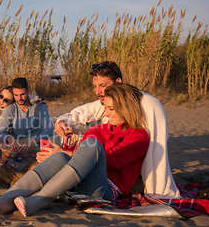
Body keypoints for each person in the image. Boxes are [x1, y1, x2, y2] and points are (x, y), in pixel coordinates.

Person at [0, 83, 150, 217]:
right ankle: (4, 201)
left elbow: (111, 161)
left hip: (102, 189)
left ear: (126, 109)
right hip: (75, 184)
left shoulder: (139, 136)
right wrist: (62, 152)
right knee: (61, 157)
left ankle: (37, 201)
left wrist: (71, 153)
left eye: (111, 109)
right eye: (106, 107)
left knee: (92, 148)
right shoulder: (98, 130)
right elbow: (77, 154)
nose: (106, 113)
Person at [54, 61, 180, 199]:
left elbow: (156, 152)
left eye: (103, 86)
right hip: (109, 168)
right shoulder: (108, 101)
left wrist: (156, 189)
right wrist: (63, 122)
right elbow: (82, 112)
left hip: (132, 177)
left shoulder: (148, 105)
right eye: (95, 86)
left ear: (118, 82)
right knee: (65, 133)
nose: (97, 92)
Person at [0, 77, 53, 157]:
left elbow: (49, 129)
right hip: (17, 143)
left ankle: (31, 154)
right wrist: (9, 138)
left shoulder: (40, 106)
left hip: (36, 141)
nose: (19, 98)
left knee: (55, 140)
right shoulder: (10, 109)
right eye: (16, 95)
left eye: (22, 94)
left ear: (28, 92)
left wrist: (31, 142)